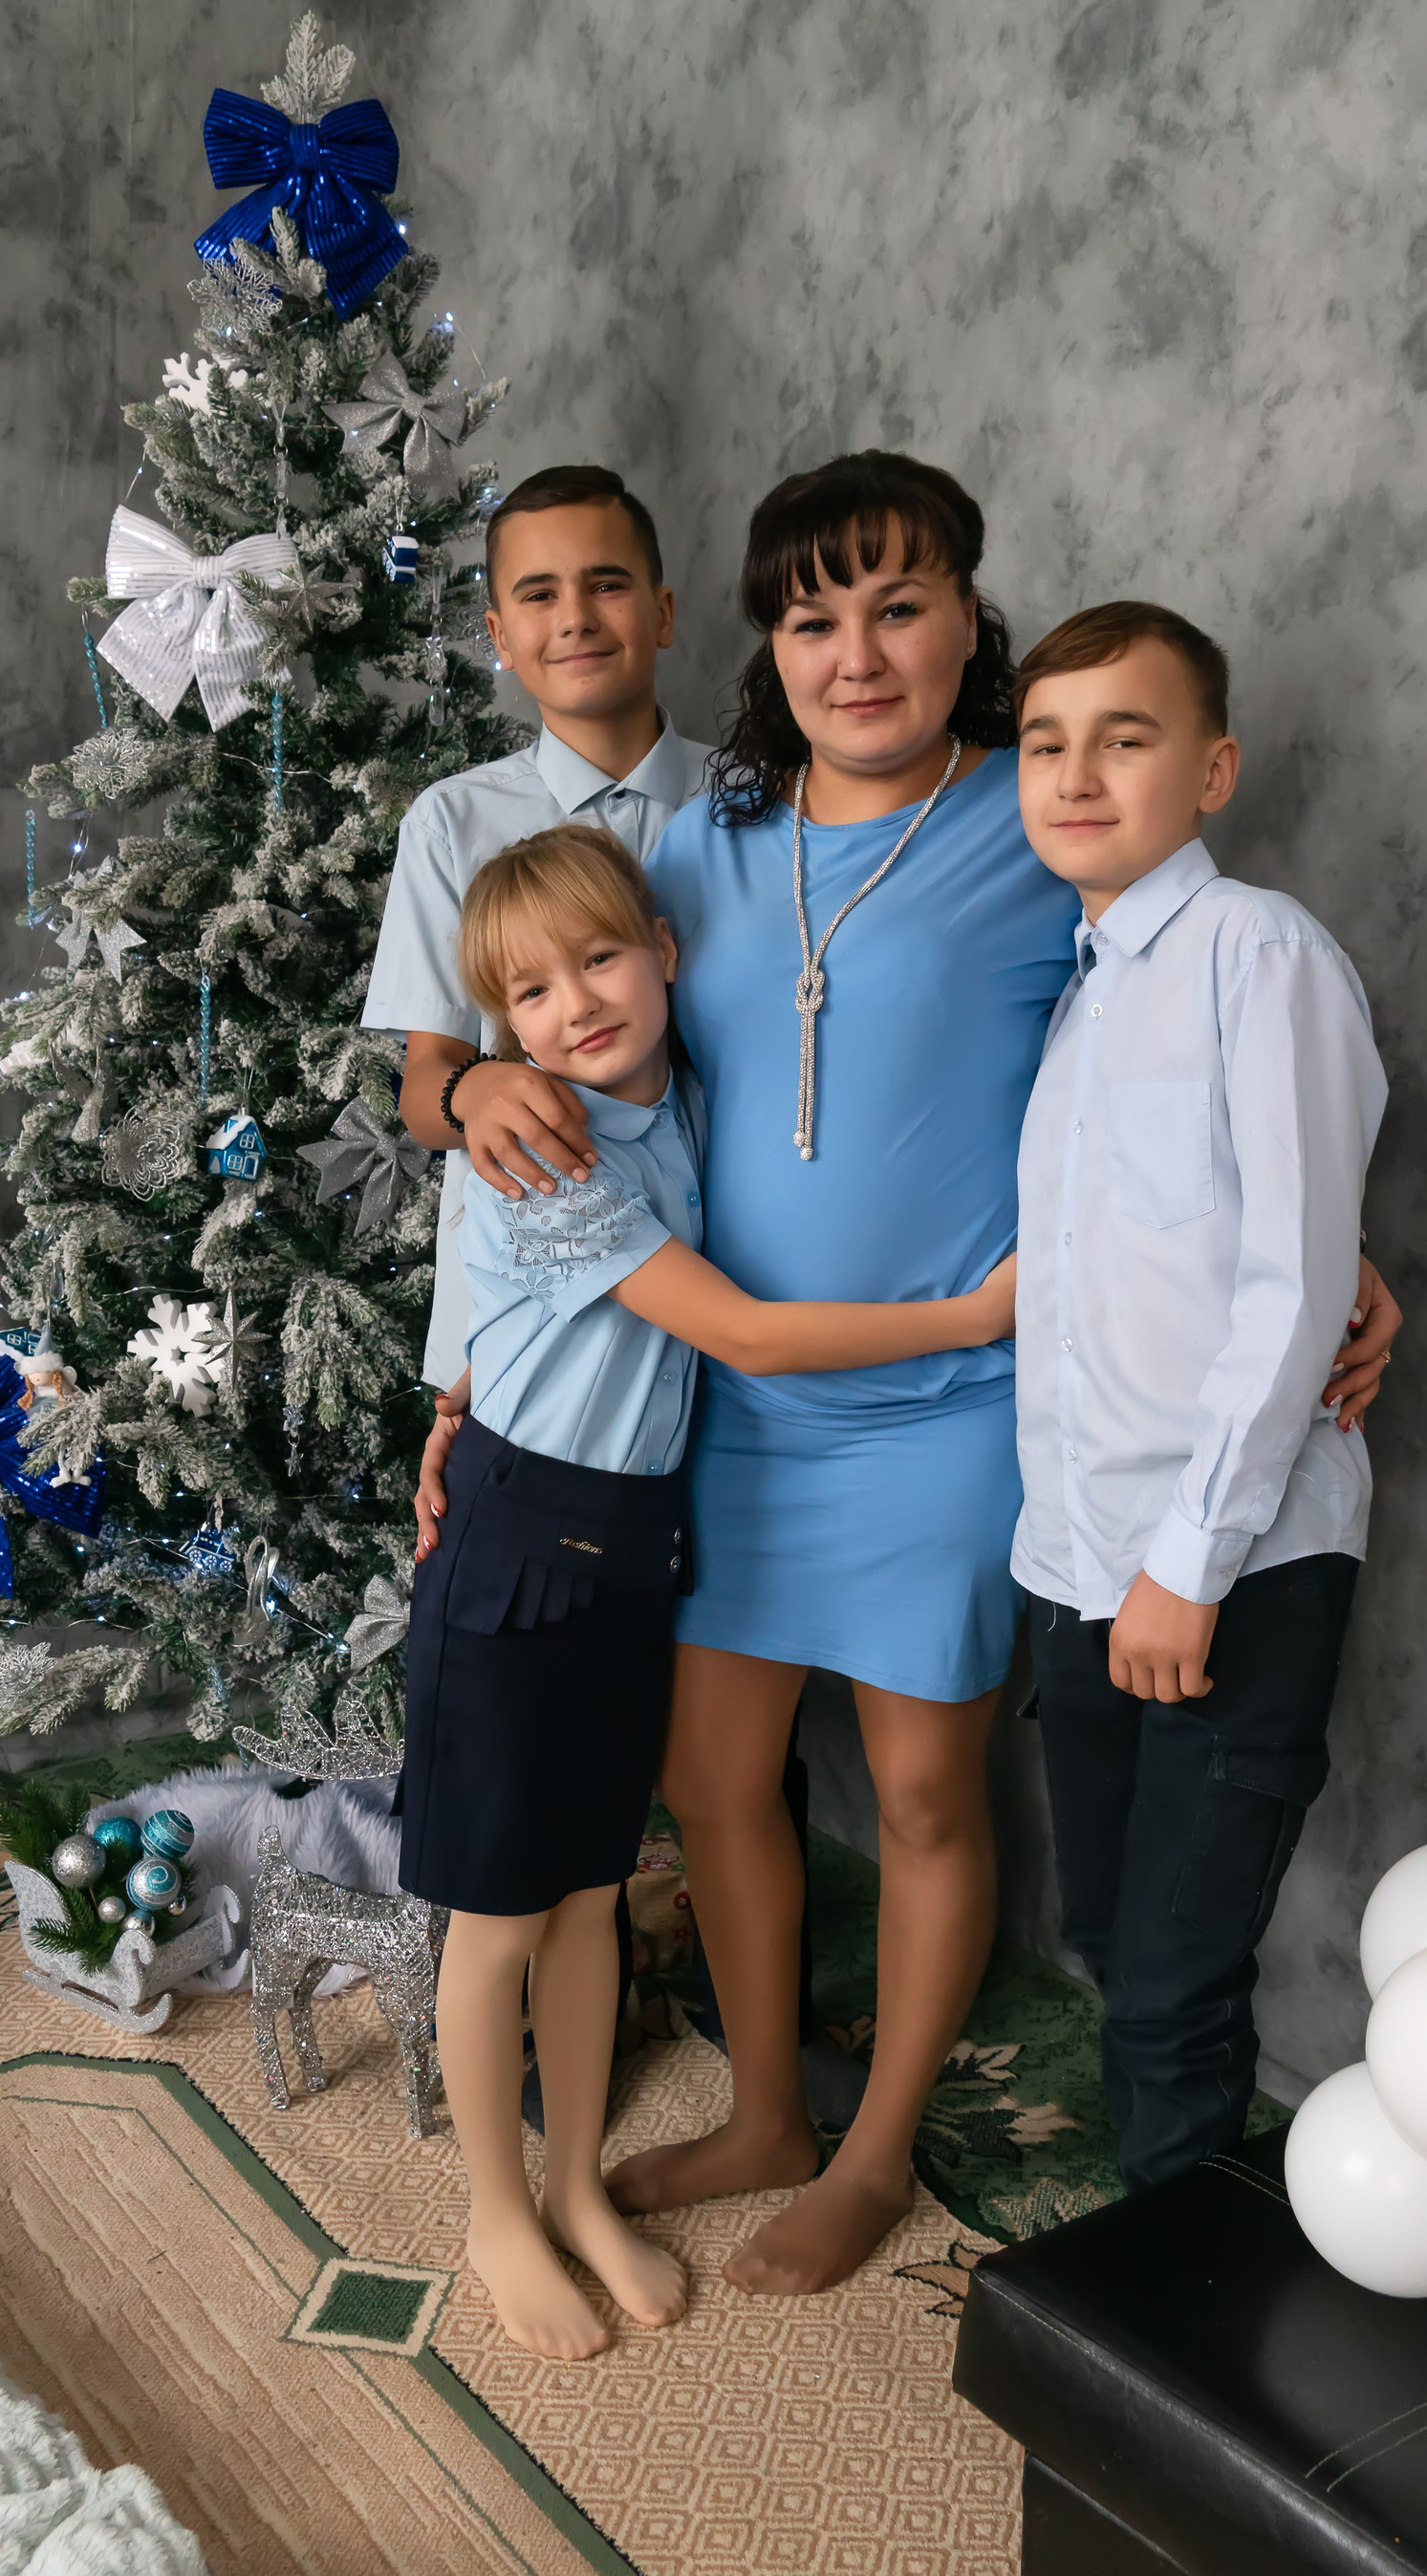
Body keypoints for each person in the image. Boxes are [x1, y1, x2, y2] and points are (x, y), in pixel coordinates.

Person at [433, 451, 1403, 2297]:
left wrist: (1344, 1255)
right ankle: (767, 2109)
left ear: (970, 619)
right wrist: (469, 1087)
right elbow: (560, 1058)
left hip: (958, 1410)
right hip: (730, 1404)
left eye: (900, 607)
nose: (859, 653)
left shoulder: (1038, 827)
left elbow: (1186, 1077)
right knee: (715, 1775)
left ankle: (874, 2149)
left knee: (927, 1789)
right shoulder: (698, 847)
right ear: (771, 648)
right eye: (815, 619)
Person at [405, 821, 1020, 2360]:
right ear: (501, 1027)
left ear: (667, 953)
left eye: (601, 960)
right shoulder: (547, 1150)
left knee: (591, 1893)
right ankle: (498, 2211)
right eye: (530, 995)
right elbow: (739, 1331)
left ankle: (577, 2185)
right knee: (500, 1912)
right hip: (519, 1544)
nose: (575, 1005)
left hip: (635, 1547)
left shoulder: (674, 1100)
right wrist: (977, 1314)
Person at [1007, 602, 1389, 2189]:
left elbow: (1295, 1281)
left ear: (1212, 769)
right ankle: (1140, 2266)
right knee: (1105, 1930)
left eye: (1127, 736)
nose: (1077, 772)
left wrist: (1189, 1559)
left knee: (1174, 1986)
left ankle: (1172, 2285)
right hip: (1080, 1555)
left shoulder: (1261, 953)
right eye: (1045, 741)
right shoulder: (1081, 994)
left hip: (1231, 1563)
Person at [364, 461, 706, 1391]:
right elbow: (425, 1087)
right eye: (539, 593)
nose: (576, 617)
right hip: (527, 1330)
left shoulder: (753, 802)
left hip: (725, 1286)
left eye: (607, 584)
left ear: (662, 612)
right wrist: (477, 1090)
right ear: (500, 637)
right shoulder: (452, 823)